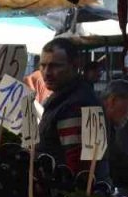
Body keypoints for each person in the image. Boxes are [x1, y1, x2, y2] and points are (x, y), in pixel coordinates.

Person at [38, 38, 101, 171]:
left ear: (75, 65)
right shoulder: (64, 98)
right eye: (43, 65)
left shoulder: (76, 104)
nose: (47, 73)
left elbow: (77, 166)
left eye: (55, 66)